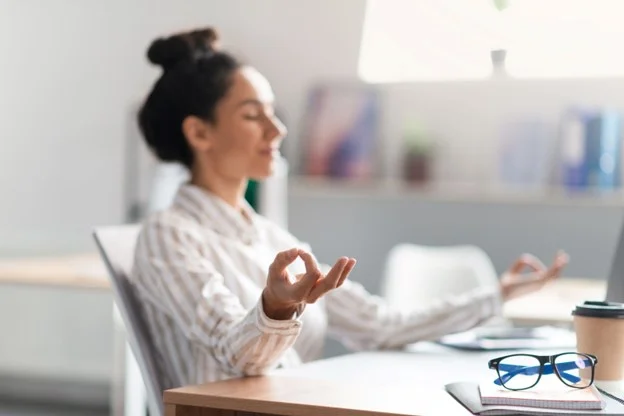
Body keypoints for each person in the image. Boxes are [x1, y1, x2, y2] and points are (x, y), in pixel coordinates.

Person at [131, 27, 569, 389]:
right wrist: (275, 308)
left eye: (273, 112)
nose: (277, 129)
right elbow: (235, 353)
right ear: (199, 133)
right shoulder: (169, 234)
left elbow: (380, 325)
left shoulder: (270, 238)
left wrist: (497, 294)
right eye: (252, 116)